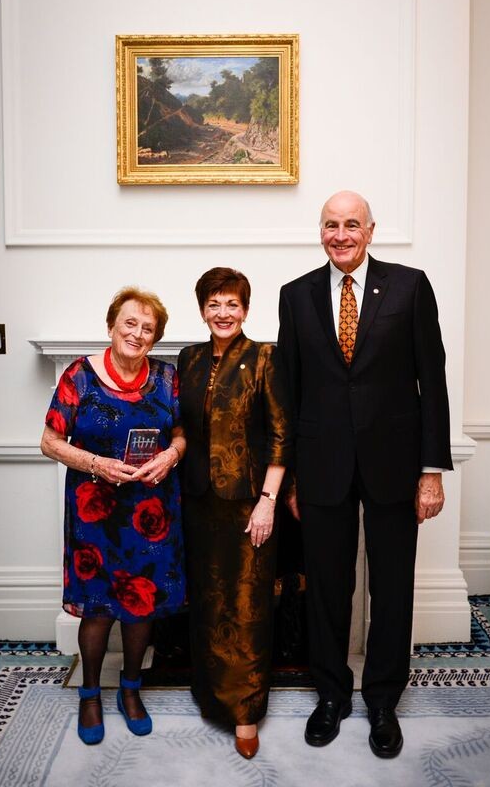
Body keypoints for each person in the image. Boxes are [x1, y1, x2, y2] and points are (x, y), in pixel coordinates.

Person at [277, 191, 452, 758]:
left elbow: (433, 380)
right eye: (331, 225)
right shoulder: (295, 295)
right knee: (326, 588)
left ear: (371, 230)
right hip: (323, 467)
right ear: (320, 232)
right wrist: (295, 477)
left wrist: (431, 471)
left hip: (396, 466)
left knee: (392, 587)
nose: (341, 234)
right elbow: (290, 391)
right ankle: (330, 695)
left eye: (352, 224)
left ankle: (381, 700)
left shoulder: (409, 286)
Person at [41, 286, 186, 744]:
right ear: (111, 326)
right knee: (99, 608)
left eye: (147, 328)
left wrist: (172, 456)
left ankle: (130, 689)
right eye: (130, 323)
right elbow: (49, 442)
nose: (137, 334)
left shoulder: (166, 378)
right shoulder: (79, 377)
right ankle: (89, 694)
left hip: (150, 509)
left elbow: (182, 434)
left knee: (141, 605)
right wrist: (95, 464)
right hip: (95, 510)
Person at [177, 267, 292, 759]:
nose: (223, 313)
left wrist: (268, 501)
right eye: (214, 304)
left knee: (247, 607)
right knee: (206, 601)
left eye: (233, 304)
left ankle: (245, 712)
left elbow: (282, 434)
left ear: (246, 310)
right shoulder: (188, 358)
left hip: (249, 502)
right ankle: (209, 694)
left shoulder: (265, 357)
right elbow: (178, 426)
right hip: (197, 501)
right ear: (202, 309)